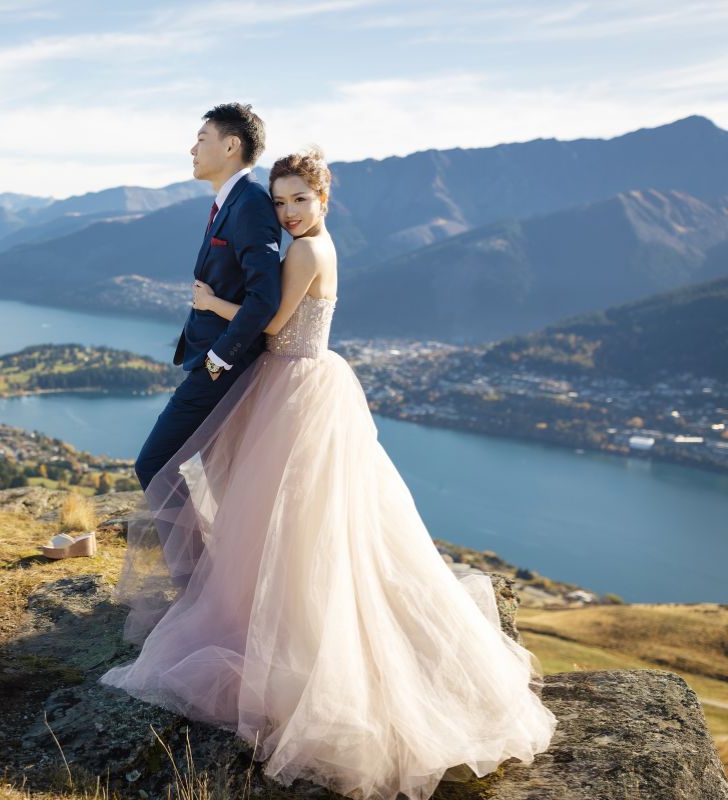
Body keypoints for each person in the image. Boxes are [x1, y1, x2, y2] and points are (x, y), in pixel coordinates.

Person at [99, 146, 558, 800]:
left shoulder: (310, 252)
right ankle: (276, 617)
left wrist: (214, 303)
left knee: (293, 520)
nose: (287, 213)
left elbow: (274, 324)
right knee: (298, 524)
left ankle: (293, 640)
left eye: (299, 200)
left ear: (324, 199)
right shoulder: (314, 245)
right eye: (280, 201)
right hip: (303, 386)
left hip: (296, 389)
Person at [133, 102, 282, 493]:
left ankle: (194, 558)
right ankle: (222, 555)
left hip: (222, 364)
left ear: (232, 145)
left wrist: (219, 358)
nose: (192, 150)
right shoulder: (229, 202)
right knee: (221, 476)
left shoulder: (250, 203)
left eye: (201, 139)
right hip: (211, 360)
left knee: (153, 465)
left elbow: (265, 297)